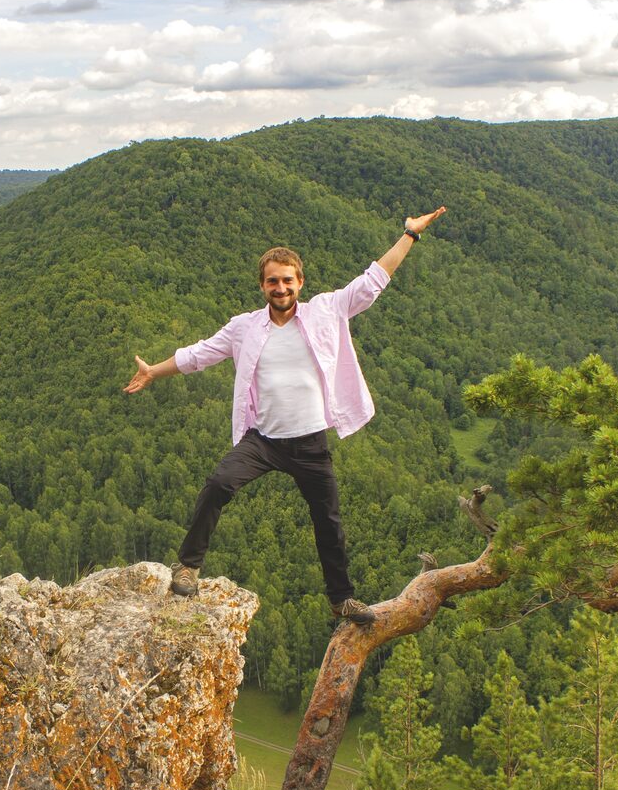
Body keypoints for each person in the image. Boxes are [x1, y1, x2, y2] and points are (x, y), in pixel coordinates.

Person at [123, 207, 447, 624]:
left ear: (300, 283)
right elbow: (199, 355)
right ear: (262, 285)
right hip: (262, 441)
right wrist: (153, 370)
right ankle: (188, 565)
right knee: (219, 484)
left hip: (310, 442)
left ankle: (341, 600)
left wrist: (410, 235)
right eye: (273, 281)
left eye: (287, 280)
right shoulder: (244, 327)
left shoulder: (326, 311)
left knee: (328, 522)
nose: (280, 288)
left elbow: (373, 281)